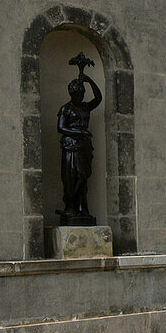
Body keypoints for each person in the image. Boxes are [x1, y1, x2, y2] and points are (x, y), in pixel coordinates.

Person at [57, 72, 102, 224]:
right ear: (72, 94)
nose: (80, 97)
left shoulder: (85, 107)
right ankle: (70, 206)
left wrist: (90, 81)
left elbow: (98, 99)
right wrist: (79, 131)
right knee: (72, 177)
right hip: (71, 146)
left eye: (82, 94)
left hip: (84, 146)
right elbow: (61, 127)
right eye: (77, 94)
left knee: (83, 177)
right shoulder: (66, 108)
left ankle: (82, 208)